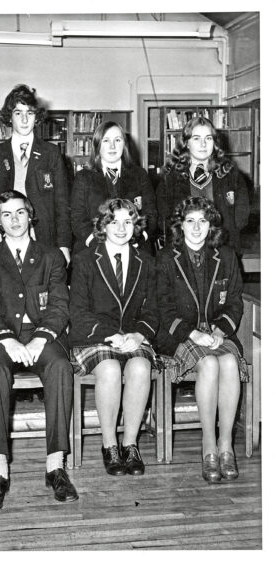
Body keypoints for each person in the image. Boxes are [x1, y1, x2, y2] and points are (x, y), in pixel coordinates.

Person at [0, 190, 77, 510]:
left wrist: (40, 338)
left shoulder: (51, 256)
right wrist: (7, 340)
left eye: (20, 213)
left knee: (61, 367)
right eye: (6, 214)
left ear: (31, 216)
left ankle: (55, 466)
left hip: (40, 336)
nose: (14, 220)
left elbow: (60, 306)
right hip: (1, 340)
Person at [155, 196, 248, 483]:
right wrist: (193, 333)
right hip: (179, 333)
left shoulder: (227, 256)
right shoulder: (166, 258)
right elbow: (163, 307)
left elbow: (234, 303)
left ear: (211, 226)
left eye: (203, 221)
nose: (196, 228)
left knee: (230, 362)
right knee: (208, 364)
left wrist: (219, 331)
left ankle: (225, 446)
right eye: (190, 221)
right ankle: (208, 446)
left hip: (217, 332)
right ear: (180, 226)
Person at [69, 198, 159, 477]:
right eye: (114, 221)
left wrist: (139, 334)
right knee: (108, 369)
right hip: (94, 337)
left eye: (128, 222)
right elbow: (78, 311)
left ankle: (130, 444)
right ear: (102, 226)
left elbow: (153, 309)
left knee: (141, 366)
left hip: (133, 337)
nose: (121, 228)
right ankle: (109, 445)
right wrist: (111, 335)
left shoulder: (146, 261)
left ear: (136, 225)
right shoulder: (85, 260)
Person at [0, 84, 71, 264]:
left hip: (43, 238)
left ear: (36, 118)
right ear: (9, 117)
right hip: (5, 237)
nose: (24, 119)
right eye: (18, 113)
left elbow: (62, 204)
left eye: (29, 113)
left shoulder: (51, 153)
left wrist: (64, 245)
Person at [156, 116, 250, 253]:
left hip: (223, 250)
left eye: (208, 138)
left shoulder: (231, 174)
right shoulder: (171, 178)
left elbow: (241, 217)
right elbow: (164, 219)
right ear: (186, 143)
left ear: (215, 143)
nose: (203, 144)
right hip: (184, 252)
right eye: (196, 138)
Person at [71, 121, 157, 255]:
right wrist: (101, 245)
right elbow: (78, 219)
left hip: (135, 249)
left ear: (124, 144)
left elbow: (151, 215)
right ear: (97, 145)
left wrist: (137, 240)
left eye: (117, 140)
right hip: (94, 251)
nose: (112, 146)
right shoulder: (83, 178)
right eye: (106, 140)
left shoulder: (140, 175)